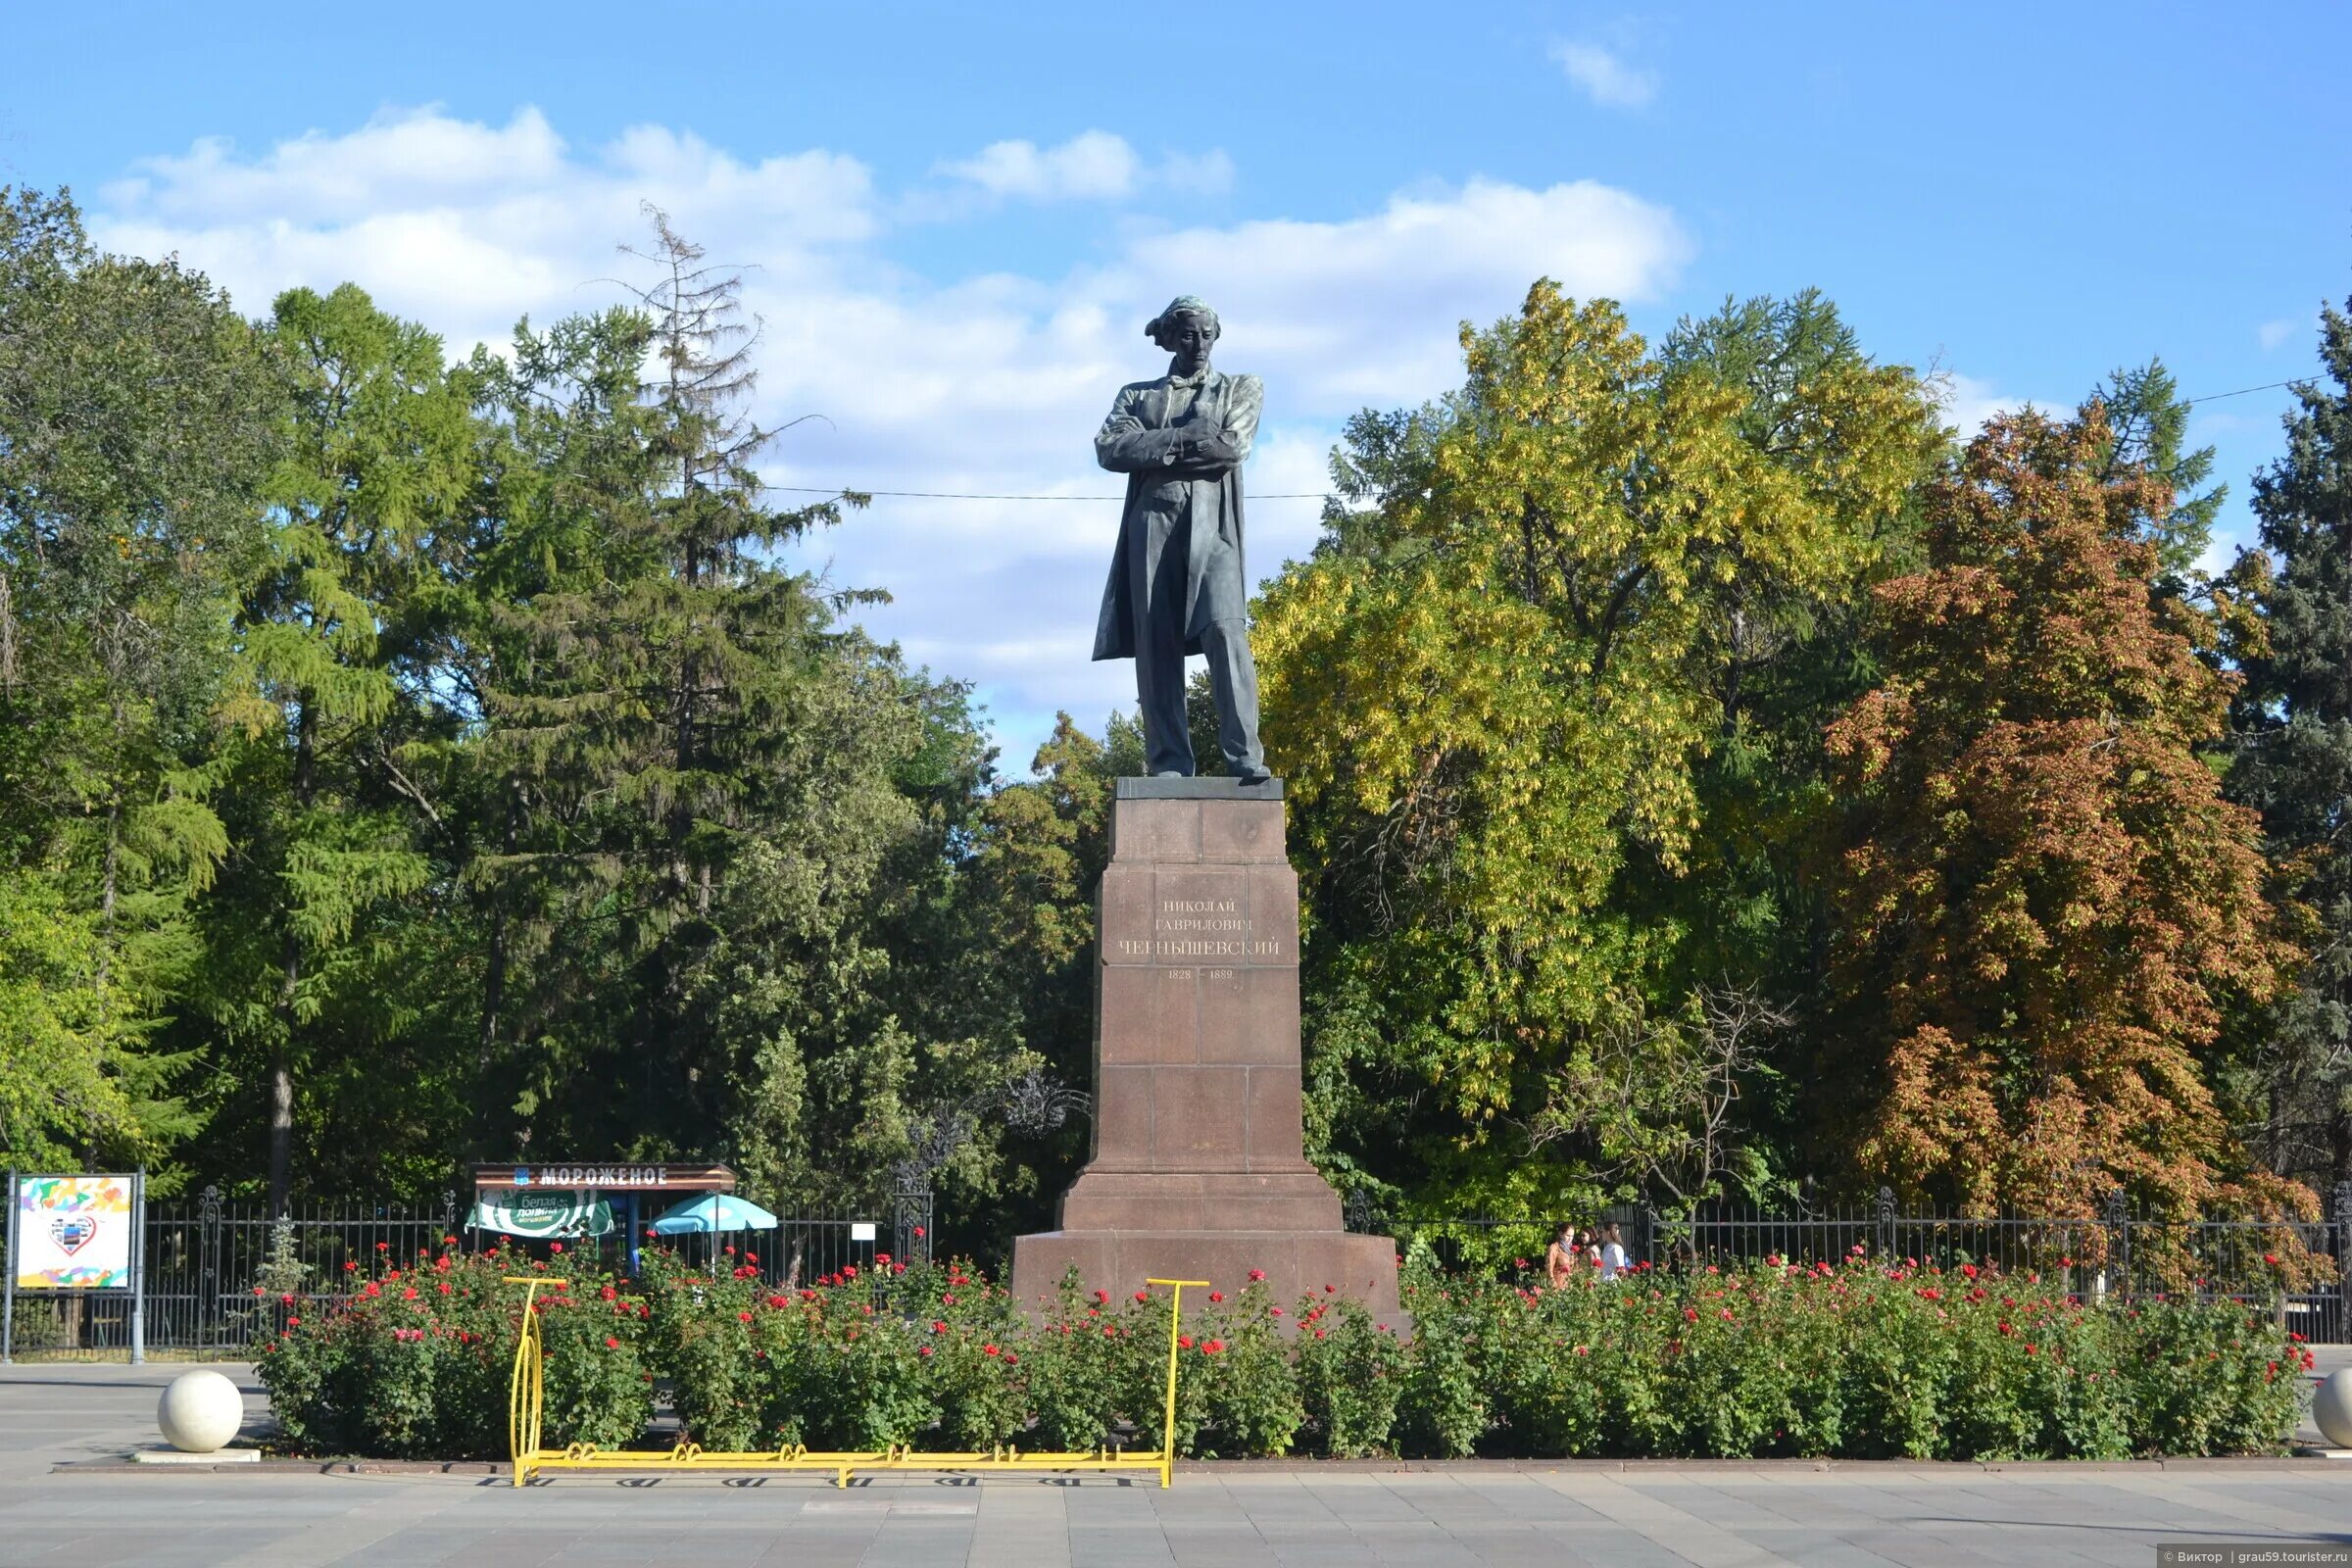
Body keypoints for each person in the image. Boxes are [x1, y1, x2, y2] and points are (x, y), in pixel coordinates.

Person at [1092, 296, 1268, 781]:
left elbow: (1230, 449)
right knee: (1157, 644)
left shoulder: (1240, 388)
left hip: (1215, 530)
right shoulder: (1137, 396)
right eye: (1188, 334)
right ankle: (1169, 761)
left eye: (1207, 334)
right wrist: (1186, 437)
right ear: (1169, 337)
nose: (1199, 344)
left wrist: (1156, 447)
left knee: (1226, 631)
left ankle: (1245, 756)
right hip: (1153, 523)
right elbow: (1110, 448)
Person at [1544, 1223, 1580, 1290]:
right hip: (1558, 1286)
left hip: (1570, 1287)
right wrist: (1554, 1285)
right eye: (1568, 1235)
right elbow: (1549, 1269)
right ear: (1560, 1234)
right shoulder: (1554, 1248)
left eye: (1572, 1236)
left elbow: (1575, 1268)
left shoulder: (1571, 1249)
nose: (1570, 1238)